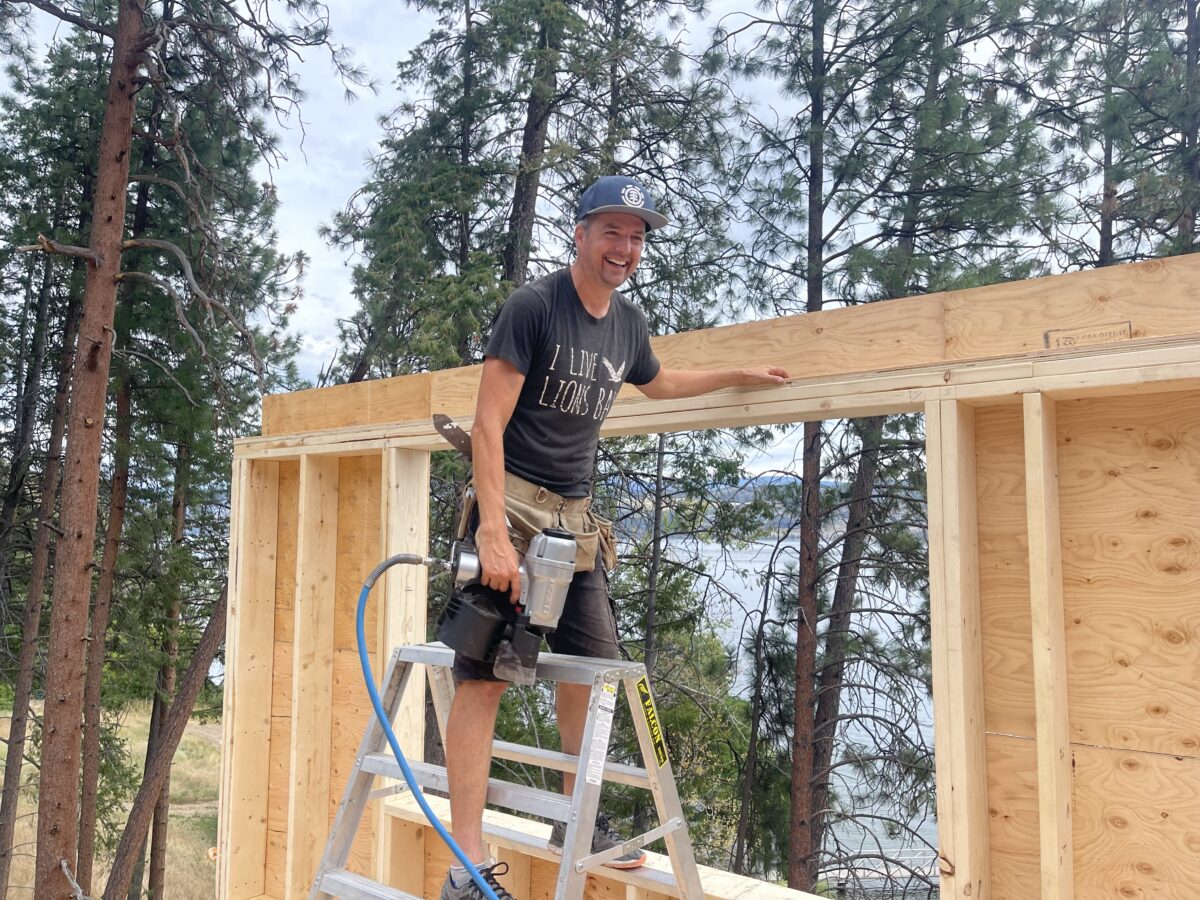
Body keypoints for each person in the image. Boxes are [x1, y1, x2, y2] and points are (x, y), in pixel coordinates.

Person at [440, 175, 790, 900]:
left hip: (576, 526)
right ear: (580, 232)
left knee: (592, 673)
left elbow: (658, 384)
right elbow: (486, 425)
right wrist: (495, 534)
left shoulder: (626, 324)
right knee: (481, 680)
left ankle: (576, 820)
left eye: (636, 237)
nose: (625, 248)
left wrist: (737, 375)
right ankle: (465, 866)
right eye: (612, 232)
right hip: (518, 516)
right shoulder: (534, 308)